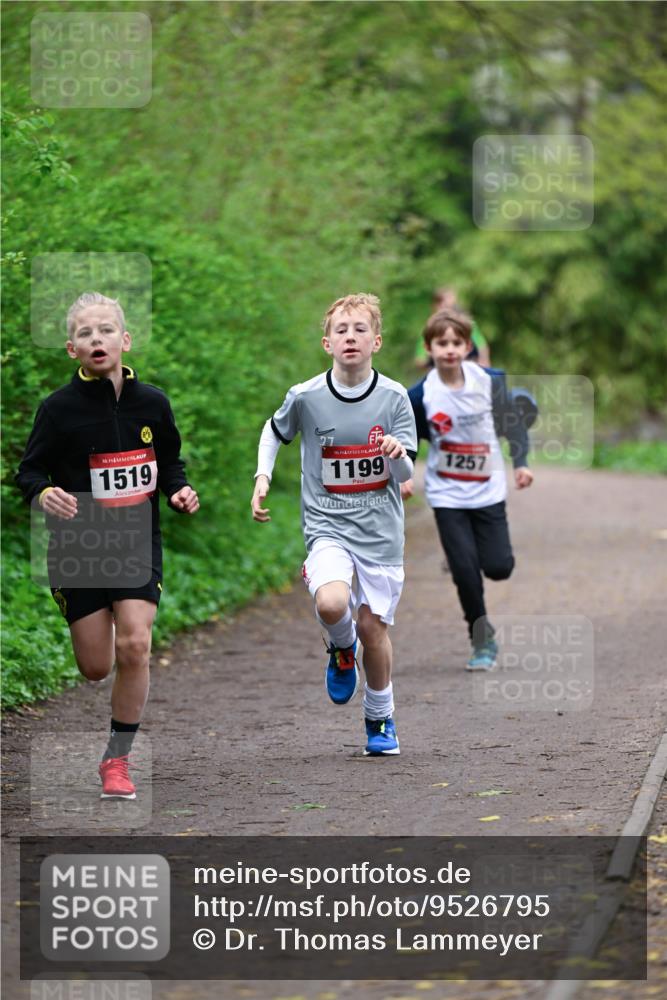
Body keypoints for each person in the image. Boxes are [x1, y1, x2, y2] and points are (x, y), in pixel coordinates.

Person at [16, 292, 199, 799]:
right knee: (96, 666)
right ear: (72, 349)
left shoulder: (153, 403)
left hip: (136, 541)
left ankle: (117, 761)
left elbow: (169, 461)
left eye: (105, 330)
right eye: (85, 334)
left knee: (136, 644)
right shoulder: (57, 409)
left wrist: (178, 490)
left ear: (125, 339)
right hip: (79, 548)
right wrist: (45, 492)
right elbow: (28, 470)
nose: (97, 339)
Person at [251, 293, 417, 755]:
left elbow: (406, 476)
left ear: (376, 341)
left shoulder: (395, 397)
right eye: (341, 330)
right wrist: (262, 476)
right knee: (331, 604)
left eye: (360, 329)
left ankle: (380, 719)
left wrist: (397, 456)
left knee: (374, 629)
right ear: (327, 343)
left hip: (381, 533)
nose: (350, 337)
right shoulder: (306, 397)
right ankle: (341, 649)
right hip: (328, 525)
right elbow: (273, 430)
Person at [402, 307, 533, 671]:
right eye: (441, 343)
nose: (449, 349)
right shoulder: (420, 396)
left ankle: (471, 557)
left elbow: (514, 425)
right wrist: (405, 473)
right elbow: (409, 441)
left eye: (456, 342)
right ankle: (481, 640)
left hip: (488, 490)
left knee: (499, 567)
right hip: (446, 494)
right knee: (464, 570)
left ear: (467, 347)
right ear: (429, 348)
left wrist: (521, 463)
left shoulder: (489, 382)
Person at [414, 286, 491, 370]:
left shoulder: (466, 324)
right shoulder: (429, 329)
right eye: (442, 343)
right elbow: (420, 360)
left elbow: (482, 346)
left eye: (457, 343)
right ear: (436, 306)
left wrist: (483, 364)